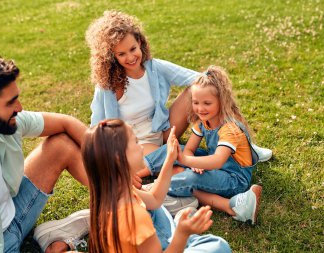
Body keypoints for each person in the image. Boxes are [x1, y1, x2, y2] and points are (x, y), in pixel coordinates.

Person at [85, 10, 272, 187]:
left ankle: (243, 143)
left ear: (140, 43)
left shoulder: (154, 68)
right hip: (135, 144)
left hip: (161, 130)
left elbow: (203, 79)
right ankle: (180, 171)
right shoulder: (106, 86)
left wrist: (211, 87)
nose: (130, 57)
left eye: (133, 49)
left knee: (203, 89)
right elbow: (96, 128)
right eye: (121, 54)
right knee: (175, 160)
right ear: (111, 57)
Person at [0, 52, 89, 253]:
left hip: (16, 212)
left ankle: (122, 202)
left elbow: (66, 123)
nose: (19, 108)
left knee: (61, 145)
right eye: (11, 102)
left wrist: (112, 168)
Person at [82, 119, 231, 253]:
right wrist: (182, 233)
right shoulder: (135, 217)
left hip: (159, 239)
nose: (141, 146)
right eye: (135, 142)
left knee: (214, 244)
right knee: (219, 247)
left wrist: (170, 158)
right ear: (119, 158)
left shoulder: (116, 193)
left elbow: (154, 199)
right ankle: (178, 229)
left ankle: (177, 229)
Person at [166, 66, 262, 225]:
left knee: (191, 178)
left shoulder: (230, 129)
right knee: (175, 150)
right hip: (216, 170)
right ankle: (144, 168)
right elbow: (189, 149)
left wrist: (187, 161)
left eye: (207, 103)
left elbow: (217, 160)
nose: (200, 108)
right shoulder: (203, 121)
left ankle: (154, 191)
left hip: (234, 179)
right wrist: (191, 160)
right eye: (195, 102)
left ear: (221, 101)